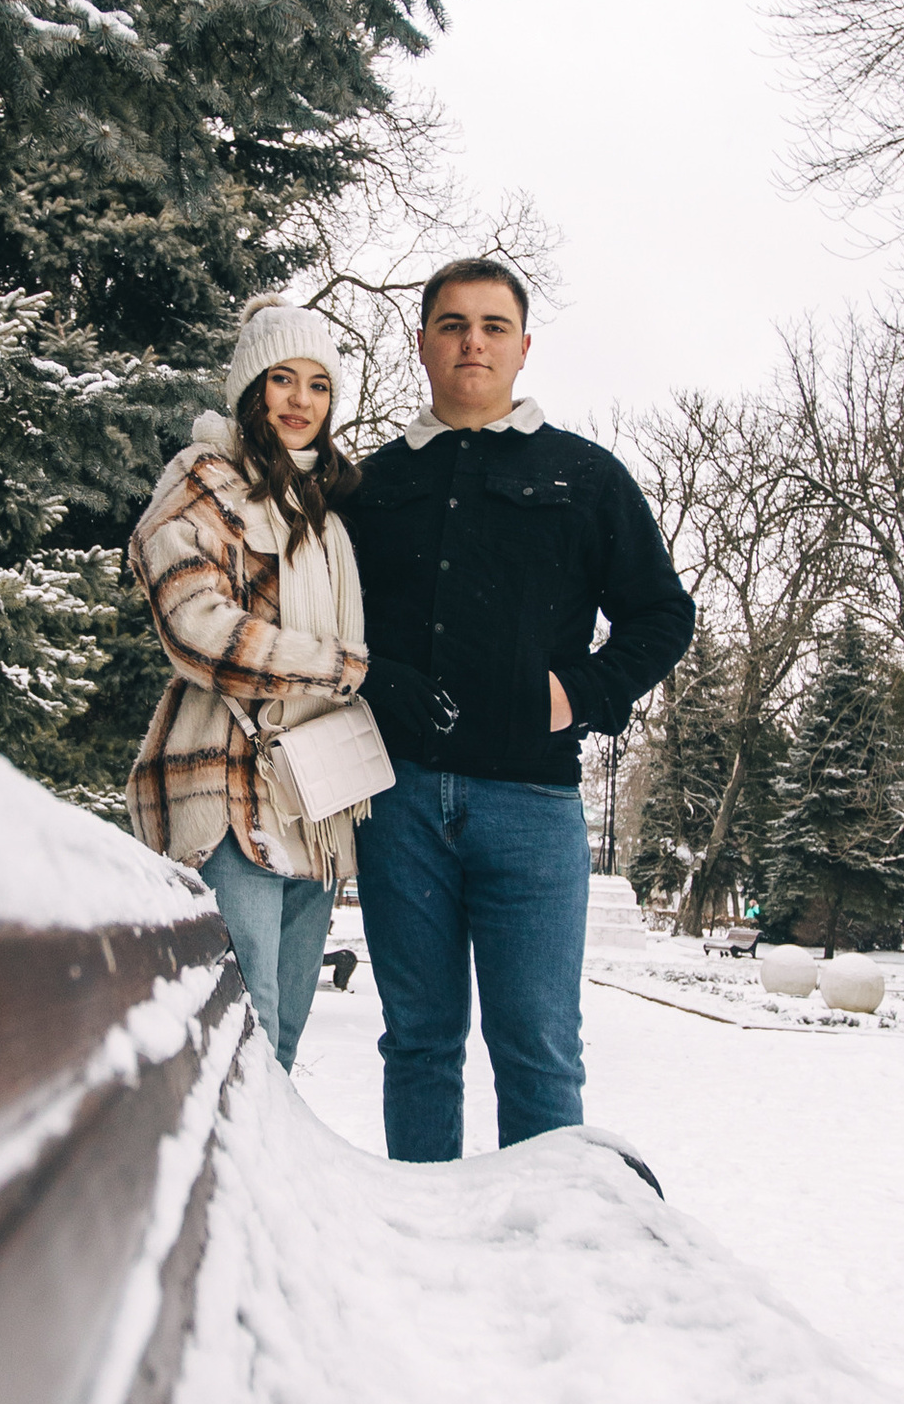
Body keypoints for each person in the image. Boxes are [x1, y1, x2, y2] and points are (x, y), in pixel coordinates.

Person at [351, 258, 695, 1158]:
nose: (473, 341)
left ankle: (540, 1261)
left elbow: (663, 614)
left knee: (539, 1052)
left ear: (524, 346)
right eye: (453, 324)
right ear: (422, 342)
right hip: (398, 803)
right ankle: (426, 1245)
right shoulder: (373, 487)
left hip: (532, 810)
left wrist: (575, 692)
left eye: (493, 325)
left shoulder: (584, 476)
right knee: (419, 1044)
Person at [127, 296, 373, 1068]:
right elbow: (196, 627)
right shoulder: (204, 483)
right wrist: (335, 666)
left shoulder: (324, 512)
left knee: (285, 1037)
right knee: (245, 1033)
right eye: (283, 379)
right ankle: (228, 1190)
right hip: (227, 784)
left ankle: (271, 1187)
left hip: (312, 799)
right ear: (250, 387)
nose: (301, 401)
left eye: (319, 385)